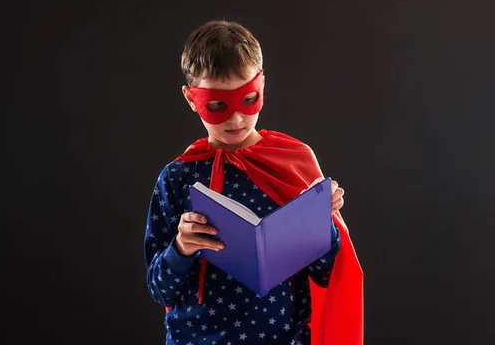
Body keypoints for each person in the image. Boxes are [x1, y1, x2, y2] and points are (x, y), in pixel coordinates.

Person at [144, 20, 363, 345]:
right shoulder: (177, 178)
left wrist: (318, 223)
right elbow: (160, 289)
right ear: (192, 98)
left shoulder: (295, 161)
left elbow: (326, 273)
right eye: (217, 105)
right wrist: (180, 248)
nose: (236, 119)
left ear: (262, 86)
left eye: (247, 100)